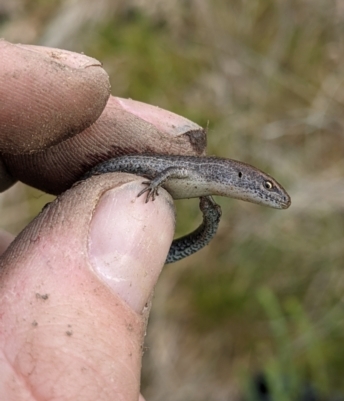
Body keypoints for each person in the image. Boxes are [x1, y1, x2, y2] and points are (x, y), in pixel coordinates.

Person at [0, 39, 199, 400]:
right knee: (80, 196)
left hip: (109, 177)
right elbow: (171, 168)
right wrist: (155, 184)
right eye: (265, 187)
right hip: (111, 172)